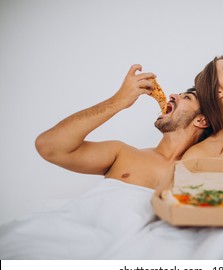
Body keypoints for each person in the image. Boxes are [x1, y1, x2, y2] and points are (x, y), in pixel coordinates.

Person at [35, 64, 210, 189]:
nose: (172, 95)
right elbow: (50, 146)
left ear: (202, 121)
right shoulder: (122, 154)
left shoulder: (203, 173)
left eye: (187, 98)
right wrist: (119, 101)